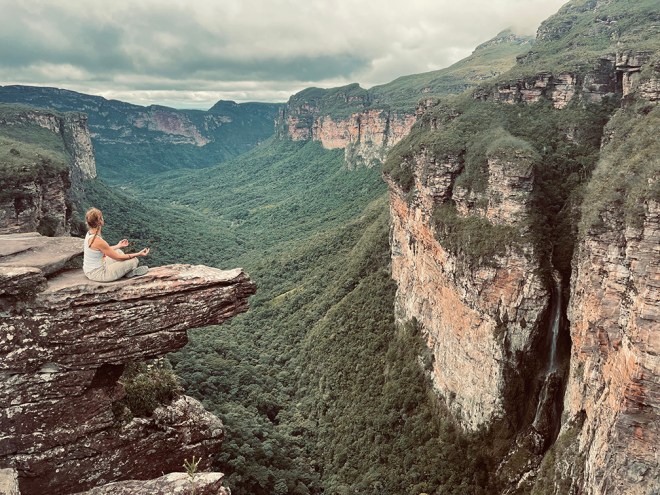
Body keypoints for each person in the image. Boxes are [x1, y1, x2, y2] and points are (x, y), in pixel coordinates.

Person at [82, 207, 150, 282]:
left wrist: (118, 245)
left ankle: (124, 271)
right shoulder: (97, 240)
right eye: (101, 217)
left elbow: (104, 250)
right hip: (98, 274)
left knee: (118, 251)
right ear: (100, 221)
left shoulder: (89, 233)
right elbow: (119, 258)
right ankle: (127, 273)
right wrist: (139, 254)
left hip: (91, 269)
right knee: (134, 260)